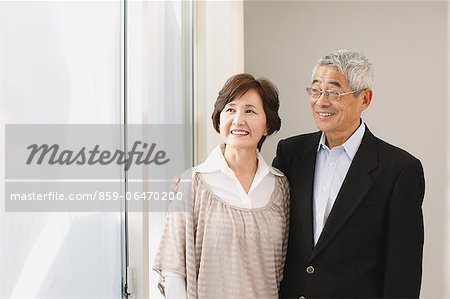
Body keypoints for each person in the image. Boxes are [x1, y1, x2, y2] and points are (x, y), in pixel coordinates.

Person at [273, 50, 425, 299]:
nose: (321, 101)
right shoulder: (290, 154)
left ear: (364, 99)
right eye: (315, 91)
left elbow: (403, 274)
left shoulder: (399, 170)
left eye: (333, 92)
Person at [153, 73, 290, 298]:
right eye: (230, 109)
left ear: (267, 125)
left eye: (250, 111)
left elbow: (282, 272)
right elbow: (173, 270)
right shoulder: (192, 183)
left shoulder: (279, 186)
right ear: (219, 119)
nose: (238, 120)